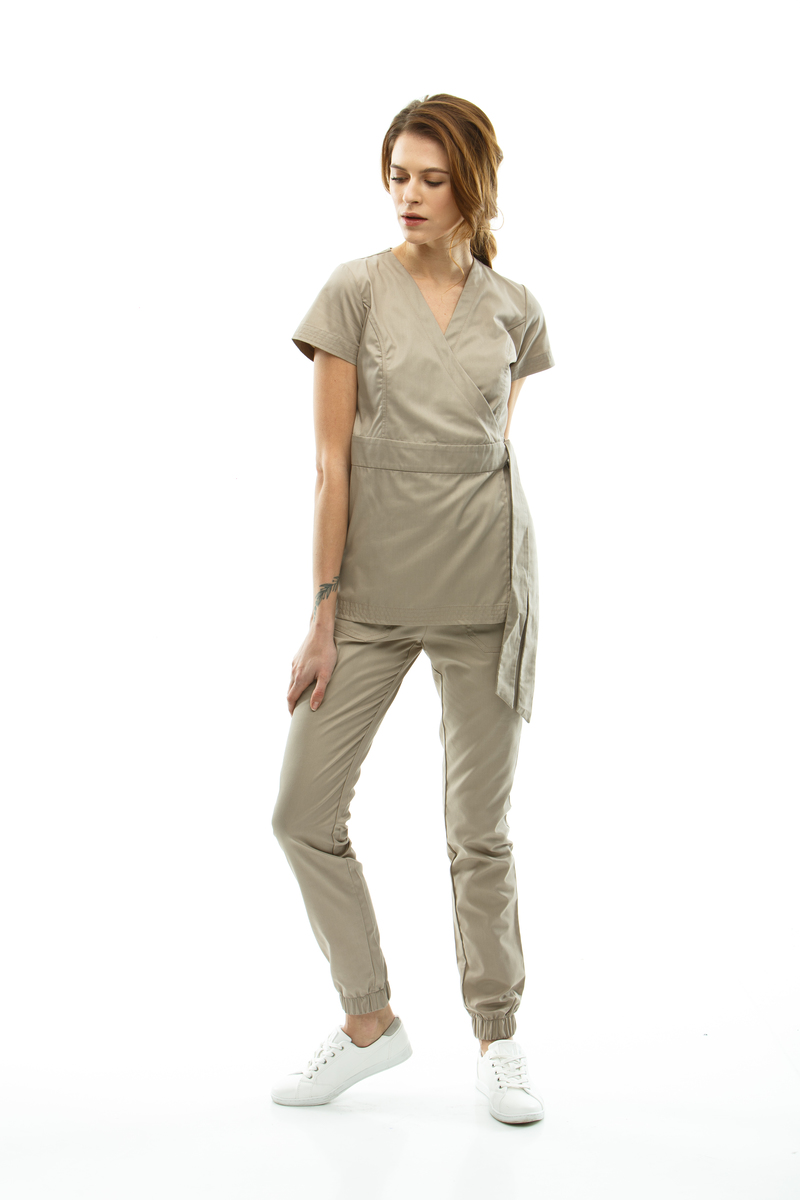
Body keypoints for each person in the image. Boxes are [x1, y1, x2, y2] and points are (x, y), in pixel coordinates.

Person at [270, 93, 554, 1125]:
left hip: (485, 590)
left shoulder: (515, 309)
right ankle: (368, 1021)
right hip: (372, 599)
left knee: (478, 833)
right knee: (302, 814)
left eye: (433, 178)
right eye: (398, 175)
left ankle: (499, 1039)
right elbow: (331, 467)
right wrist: (322, 614)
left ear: (475, 185)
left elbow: (488, 453)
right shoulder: (351, 291)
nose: (410, 195)